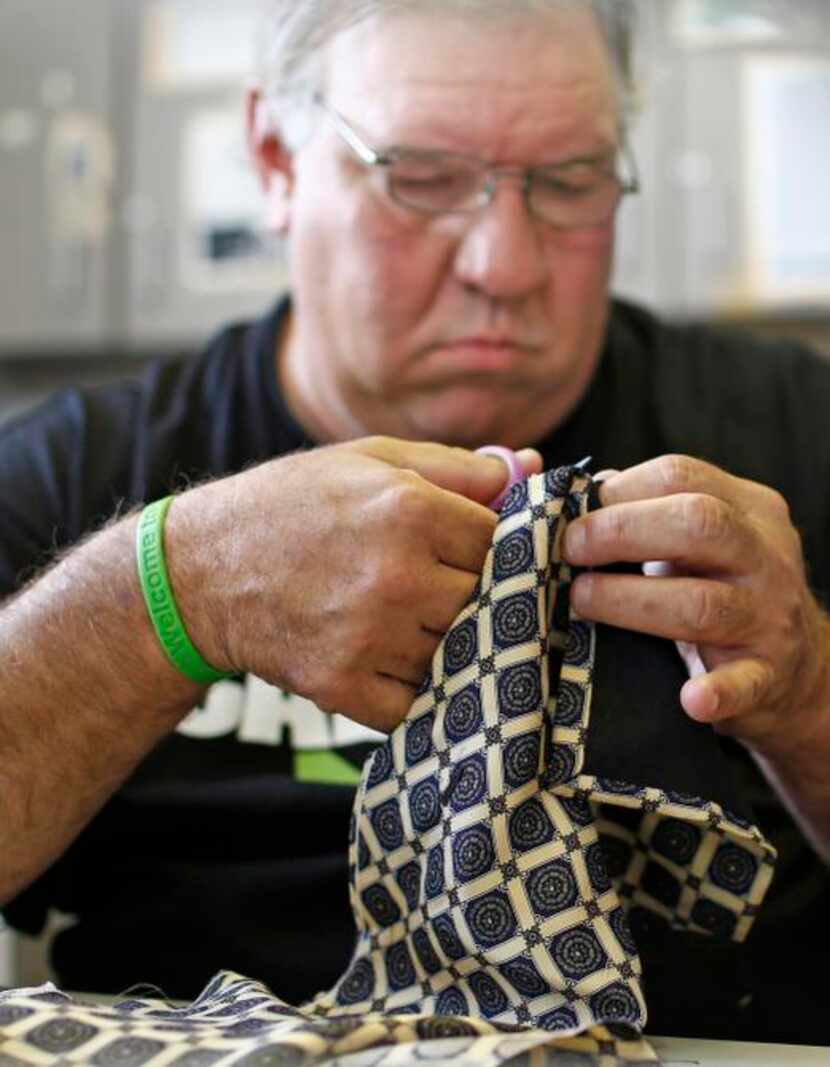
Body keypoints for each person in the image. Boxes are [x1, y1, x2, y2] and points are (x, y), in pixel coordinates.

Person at [0, 0, 828, 1046]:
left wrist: (805, 690)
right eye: (421, 179)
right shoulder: (75, 473)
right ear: (274, 161)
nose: (506, 265)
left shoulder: (791, 436)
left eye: (569, 182)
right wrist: (164, 594)